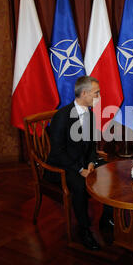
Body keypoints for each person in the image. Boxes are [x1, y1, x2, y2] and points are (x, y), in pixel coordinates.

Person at [45, 76, 113, 250]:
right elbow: (57, 152)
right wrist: (80, 169)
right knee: (81, 186)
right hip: (62, 166)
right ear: (84, 93)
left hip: (83, 163)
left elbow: (91, 145)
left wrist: (90, 162)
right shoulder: (62, 116)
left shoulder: (90, 114)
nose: (99, 96)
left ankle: (107, 219)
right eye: (96, 93)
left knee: (109, 176)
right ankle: (84, 230)